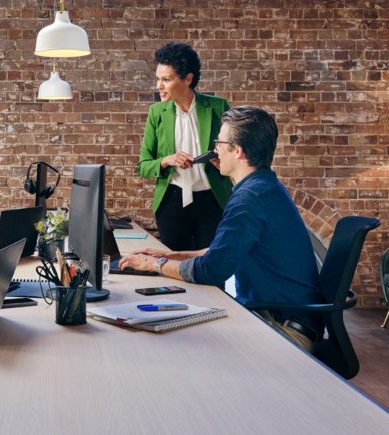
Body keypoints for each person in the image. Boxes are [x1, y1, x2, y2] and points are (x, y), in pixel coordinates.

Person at [121, 106, 323, 351]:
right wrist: (169, 256)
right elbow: (221, 252)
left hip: (284, 329)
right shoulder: (262, 186)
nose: (214, 149)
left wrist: (153, 265)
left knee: (175, 342)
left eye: (219, 142)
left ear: (237, 151)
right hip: (284, 317)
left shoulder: (249, 199)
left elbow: (211, 270)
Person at [137, 42, 232, 251]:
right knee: (172, 267)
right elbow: (143, 166)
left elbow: (236, 152)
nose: (158, 86)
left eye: (166, 80)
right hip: (172, 201)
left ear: (188, 79)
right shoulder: (157, 113)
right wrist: (167, 160)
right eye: (158, 79)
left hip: (212, 200)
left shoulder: (218, 107)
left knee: (211, 268)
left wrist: (222, 162)